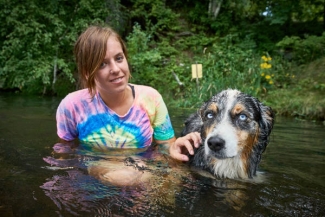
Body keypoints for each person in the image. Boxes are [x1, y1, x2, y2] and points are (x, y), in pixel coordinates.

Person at [56, 25, 201, 162]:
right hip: (95, 176)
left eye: (119, 58)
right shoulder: (71, 106)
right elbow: (65, 151)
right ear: (88, 73)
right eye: (102, 64)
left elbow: (165, 146)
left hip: (142, 173)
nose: (115, 69)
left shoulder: (151, 98)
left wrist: (174, 148)